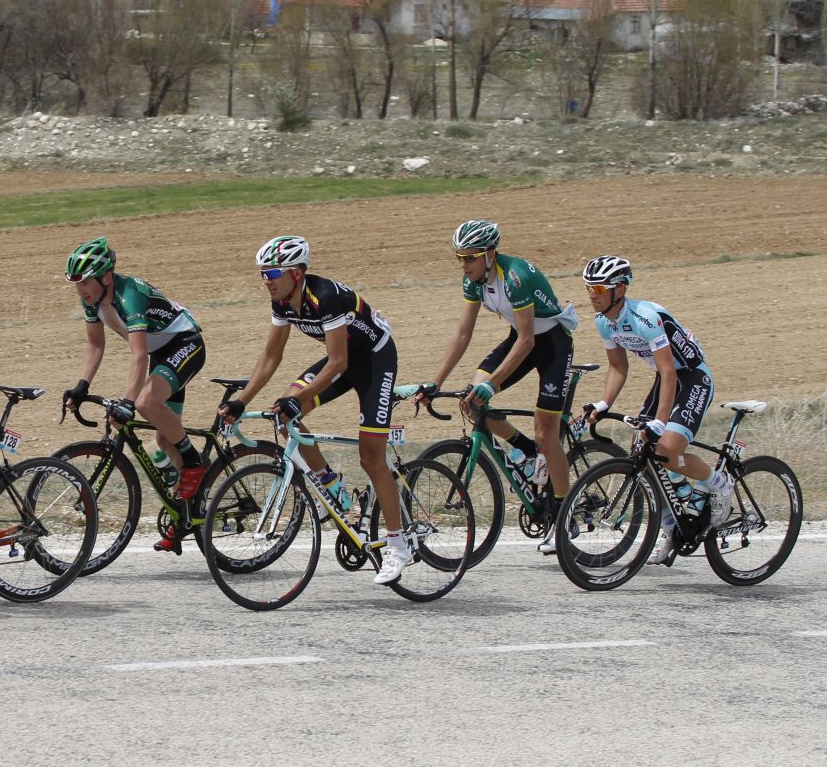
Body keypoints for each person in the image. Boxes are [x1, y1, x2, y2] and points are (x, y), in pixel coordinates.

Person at [219, 235, 411, 585]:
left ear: (295, 272)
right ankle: (331, 483)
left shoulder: (324, 298)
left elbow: (338, 362)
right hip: (343, 360)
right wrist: (241, 400)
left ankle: (398, 545)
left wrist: (301, 395)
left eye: (272, 272)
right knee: (284, 413)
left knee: (371, 457)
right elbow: (271, 357)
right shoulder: (282, 302)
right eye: (262, 273)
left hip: (374, 361)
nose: (266, 280)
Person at [419, 219, 580, 555]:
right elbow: (463, 333)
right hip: (521, 339)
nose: (464, 265)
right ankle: (527, 453)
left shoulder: (516, 276)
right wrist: (436, 382)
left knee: (546, 431)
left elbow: (527, 339)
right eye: (459, 258)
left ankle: (563, 516)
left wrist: (493, 384)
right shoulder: (474, 280)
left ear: (490, 254)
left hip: (551, 344)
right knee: (471, 401)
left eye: (470, 258)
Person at [580, 255, 733, 564]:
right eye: (588, 288)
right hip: (664, 379)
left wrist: (661, 421)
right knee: (642, 452)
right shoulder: (603, 322)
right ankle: (672, 526)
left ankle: (718, 483)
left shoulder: (645, 318)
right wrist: (603, 403)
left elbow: (669, 372)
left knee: (666, 451)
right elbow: (618, 367)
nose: (592, 295)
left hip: (690, 377)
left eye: (598, 288)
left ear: (619, 290)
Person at [61, 237, 207, 552]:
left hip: (185, 345)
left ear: (106, 277)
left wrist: (128, 403)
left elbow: (138, 355)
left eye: (86, 282)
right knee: (166, 440)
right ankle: (189, 516)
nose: (81, 290)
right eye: (77, 284)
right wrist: (82, 385)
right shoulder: (93, 299)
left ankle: (195, 463)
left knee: (144, 403)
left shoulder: (131, 298)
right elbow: (95, 344)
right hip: (162, 354)